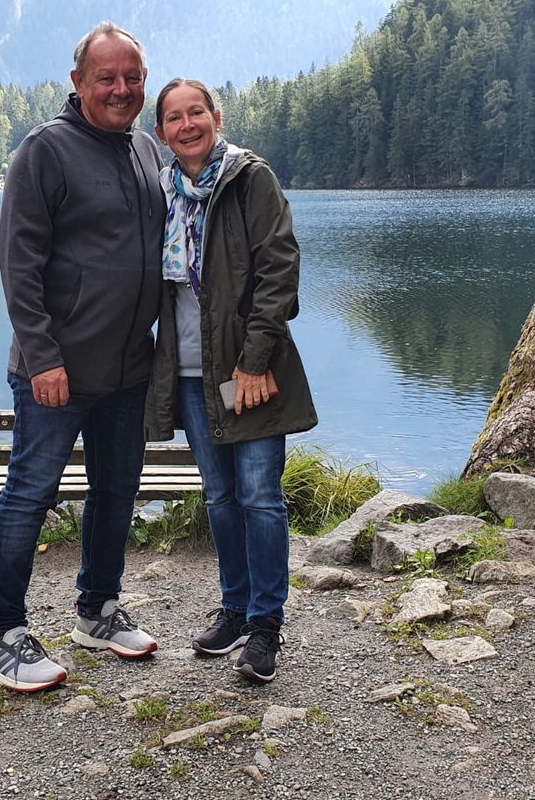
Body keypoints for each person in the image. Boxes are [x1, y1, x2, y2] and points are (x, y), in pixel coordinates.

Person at [0, 23, 164, 692]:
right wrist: (43, 356)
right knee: (30, 493)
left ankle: (98, 611)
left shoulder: (146, 149)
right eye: (106, 77)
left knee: (117, 490)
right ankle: (0, 634)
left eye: (132, 77)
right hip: (56, 370)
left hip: (128, 369)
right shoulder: (44, 151)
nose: (121, 89)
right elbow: (18, 265)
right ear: (78, 82)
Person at [145, 78, 317, 684]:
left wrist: (255, 361)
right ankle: (236, 608)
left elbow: (280, 269)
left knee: (260, 496)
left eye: (196, 112)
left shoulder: (250, 178)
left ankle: (266, 625)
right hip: (191, 373)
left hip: (249, 370)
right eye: (174, 117)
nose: (187, 124)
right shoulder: (162, 190)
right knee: (219, 496)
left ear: (216, 117)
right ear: (161, 132)